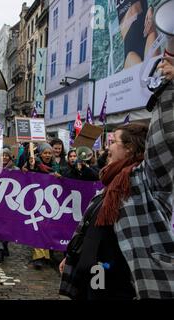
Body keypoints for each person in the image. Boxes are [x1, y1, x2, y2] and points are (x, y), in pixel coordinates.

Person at [59, 65, 174, 299]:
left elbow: (164, 138)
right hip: (97, 273)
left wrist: (169, 89)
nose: (107, 147)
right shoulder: (109, 184)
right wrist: (72, 257)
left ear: (130, 148)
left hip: (125, 281)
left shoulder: (147, 177)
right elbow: (91, 229)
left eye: (113, 141)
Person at [22, 143, 59, 268]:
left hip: (50, 201)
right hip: (36, 200)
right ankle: (38, 256)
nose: (47, 155)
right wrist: (28, 167)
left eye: (49, 153)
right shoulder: (34, 164)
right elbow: (27, 175)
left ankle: (46, 255)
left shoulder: (55, 166)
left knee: (47, 227)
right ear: (41, 154)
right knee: (38, 226)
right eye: (45, 153)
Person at [116, 0, 161, 68]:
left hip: (148, 26)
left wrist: (151, 7)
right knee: (148, 73)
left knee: (154, 70)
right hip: (130, 42)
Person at [0, 147, 19, 263]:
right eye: (2, 155)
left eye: (6, 155)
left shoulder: (16, 169)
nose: (4, 157)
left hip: (10, 203)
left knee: (8, 226)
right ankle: (0, 247)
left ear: (10, 157)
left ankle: (4, 245)